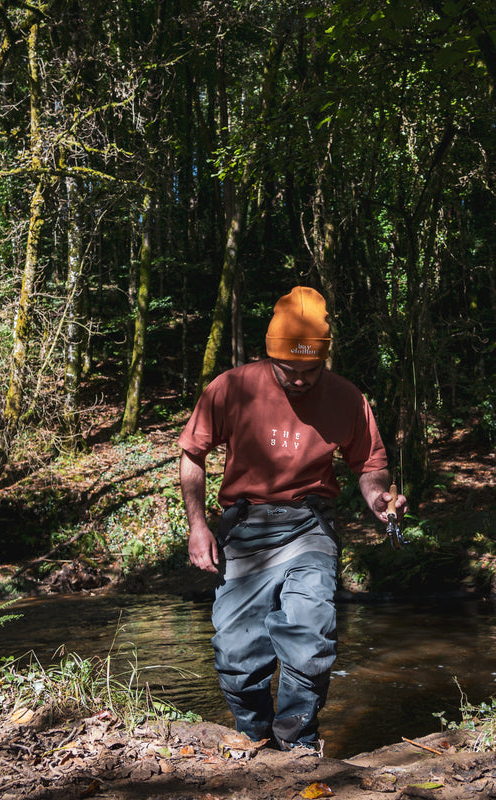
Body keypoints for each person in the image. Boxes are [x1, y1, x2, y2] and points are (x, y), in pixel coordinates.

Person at [178, 286, 407, 753]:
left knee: (310, 634)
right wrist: (197, 525)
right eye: (289, 369)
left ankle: (299, 743)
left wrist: (378, 496)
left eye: (312, 370)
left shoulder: (346, 398)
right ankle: (255, 736)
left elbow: (369, 465)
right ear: (270, 355)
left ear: (325, 359)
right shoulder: (232, 387)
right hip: (245, 528)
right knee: (237, 654)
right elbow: (192, 453)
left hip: (309, 526)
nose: (301, 380)